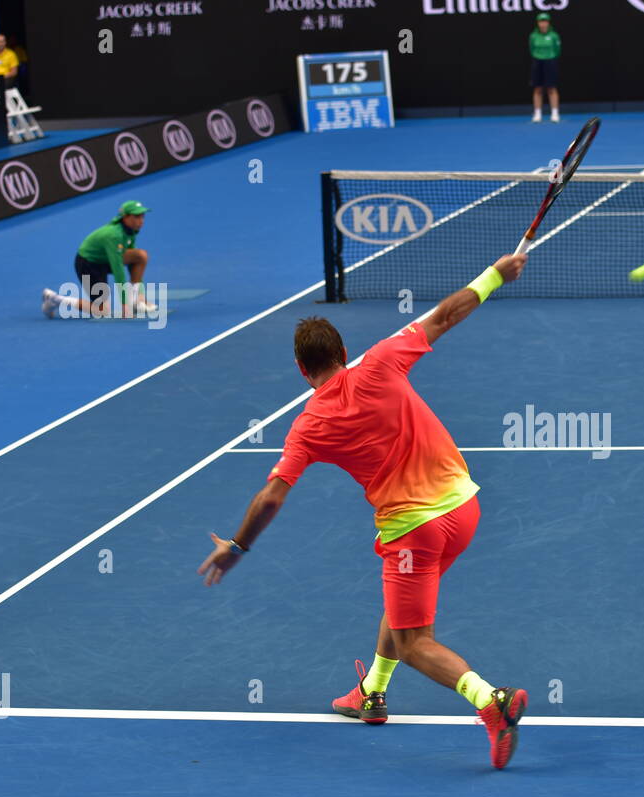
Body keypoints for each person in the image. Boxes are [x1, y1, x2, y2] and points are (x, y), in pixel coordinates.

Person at [197, 254, 532, 770]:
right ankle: (370, 694)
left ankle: (494, 702)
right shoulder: (382, 359)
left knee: (415, 641)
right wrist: (496, 276)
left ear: (302, 370)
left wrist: (237, 546)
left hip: (414, 530)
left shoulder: (308, 425)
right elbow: (444, 315)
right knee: (402, 610)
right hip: (464, 509)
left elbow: (271, 497)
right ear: (344, 352)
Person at [41, 201, 156, 319]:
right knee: (102, 311)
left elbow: (132, 260)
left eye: (142, 216)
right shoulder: (114, 235)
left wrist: (139, 296)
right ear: (125, 217)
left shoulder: (131, 231)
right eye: (136, 216)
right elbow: (118, 270)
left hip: (104, 260)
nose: (141, 220)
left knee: (140, 256)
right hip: (88, 265)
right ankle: (55, 300)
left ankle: (137, 300)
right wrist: (124, 304)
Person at [529, 12, 561, 123]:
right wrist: (539, 57)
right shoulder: (533, 36)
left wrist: (549, 57)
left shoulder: (554, 36)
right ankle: (537, 114)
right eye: (541, 21)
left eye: (545, 21)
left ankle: (555, 113)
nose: (543, 23)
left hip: (550, 61)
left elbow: (557, 50)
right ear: (538, 23)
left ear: (548, 22)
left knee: (551, 88)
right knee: (537, 88)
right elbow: (532, 49)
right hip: (537, 61)